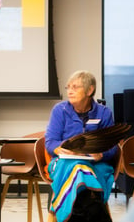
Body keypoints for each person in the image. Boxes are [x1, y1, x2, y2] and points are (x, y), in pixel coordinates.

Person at [45, 70, 117, 222]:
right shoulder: (59, 110)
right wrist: (59, 148)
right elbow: (50, 142)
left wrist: (102, 155)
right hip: (64, 162)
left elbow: (113, 146)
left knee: (80, 169)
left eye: (75, 87)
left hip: (95, 164)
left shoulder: (104, 113)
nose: (70, 91)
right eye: (68, 87)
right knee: (77, 167)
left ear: (90, 90)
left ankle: (73, 211)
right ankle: (92, 209)